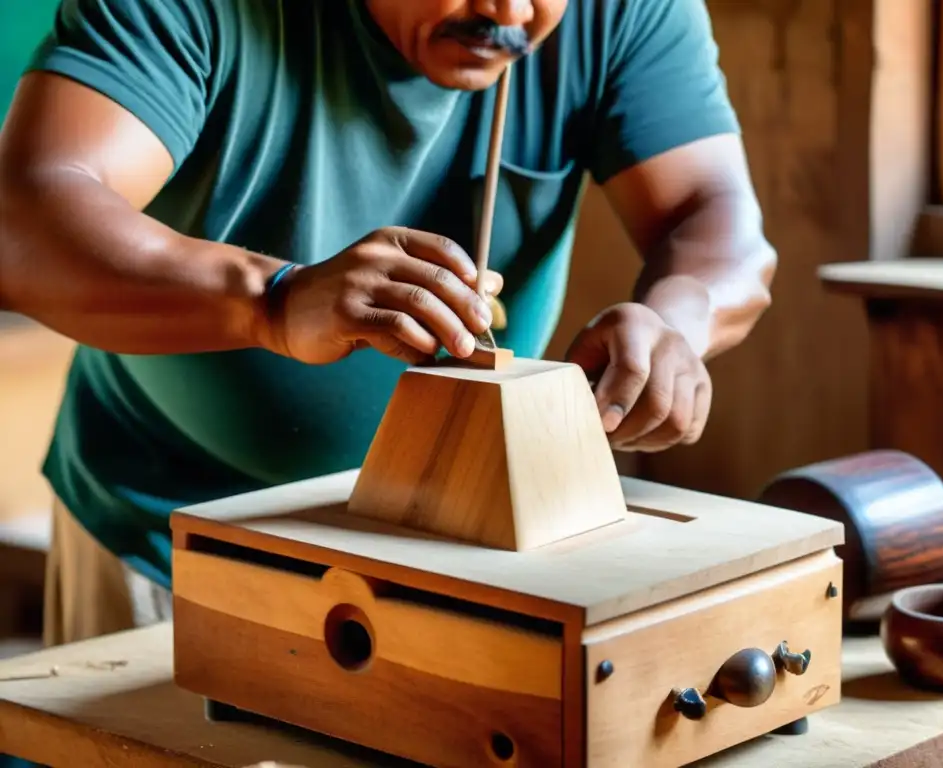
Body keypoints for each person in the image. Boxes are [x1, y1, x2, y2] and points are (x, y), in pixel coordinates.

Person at [0, 0, 776, 650]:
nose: (507, 14)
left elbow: (714, 217)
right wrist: (270, 300)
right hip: (169, 539)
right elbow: (25, 223)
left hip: (466, 558)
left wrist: (679, 317)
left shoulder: (622, 12)